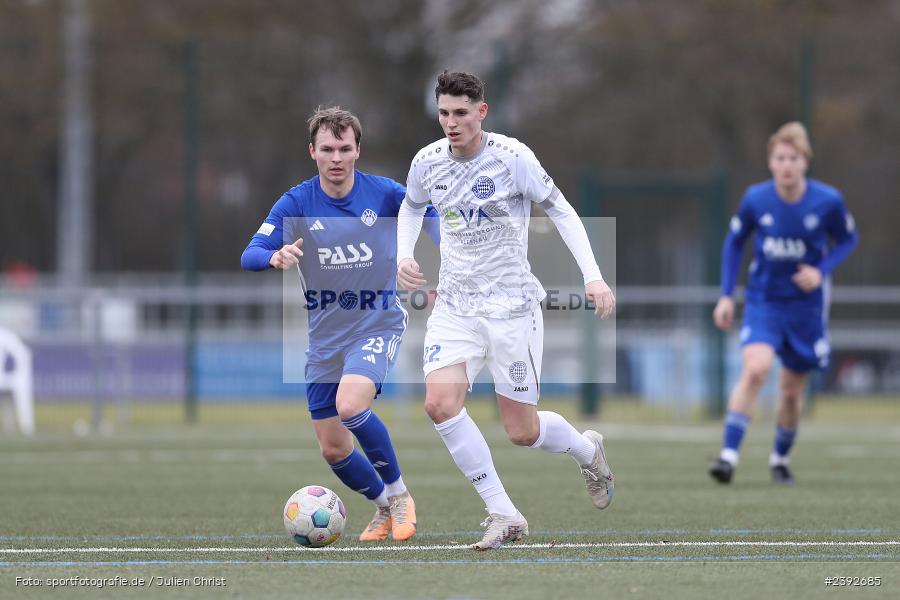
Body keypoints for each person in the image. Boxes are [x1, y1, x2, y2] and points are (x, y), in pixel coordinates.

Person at [396, 71, 617, 550]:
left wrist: (593, 275)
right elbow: (411, 206)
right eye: (443, 113)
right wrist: (404, 255)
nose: (451, 123)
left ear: (482, 112)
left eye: (460, 113)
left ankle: (587, 449)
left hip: (512, 308)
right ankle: (504, 513)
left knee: (522, 430)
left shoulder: (513, 158)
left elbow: (561, 210)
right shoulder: (427, 162)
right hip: (455, 306)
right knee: (439, 403)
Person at [241, 106, 438, 541]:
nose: (336, 157)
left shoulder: (385, 194)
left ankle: (401, 496)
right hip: (325, 339)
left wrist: (448, 264)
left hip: (377, 323)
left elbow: (431, 215)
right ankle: (383, 508)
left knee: (351, 406)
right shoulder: (296, 202)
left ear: (357, 150)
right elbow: (249, 253)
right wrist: (273, 256)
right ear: (312, 151)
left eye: (344, 148)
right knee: (333, 447)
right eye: (327, 148)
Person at [708, 121, 858, 485]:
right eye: (780, 158)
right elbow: (734, 243)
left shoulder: (828, 201)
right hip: (764, 302)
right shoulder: (756, 199)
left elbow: (847, 241)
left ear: (805, 161)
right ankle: (728, 457)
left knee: (791, 389)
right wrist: (727, 295)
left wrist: (821, 270)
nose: (787, 164)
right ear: (771, 162)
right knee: (756, 368)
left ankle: (780, 458)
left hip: (805, 309)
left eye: (794, 157)